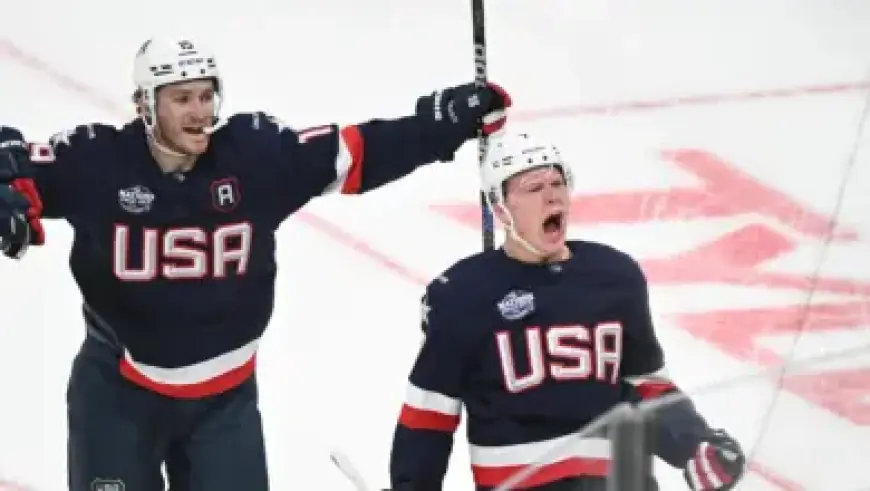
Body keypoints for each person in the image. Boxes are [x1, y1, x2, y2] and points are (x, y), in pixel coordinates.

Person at [0, 36, 511, 491]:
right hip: (117, 398)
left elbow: (356, 153)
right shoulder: (97, 161)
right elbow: (14, 162)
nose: (200, 111)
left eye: (206, 95)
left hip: (225, 408)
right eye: (182, 99)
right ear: (145, 106)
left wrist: (443, 124)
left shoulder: (254, 157)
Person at [387, 132, 747, 491]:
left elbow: (648, 388)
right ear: (500, 209)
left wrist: (695, 444)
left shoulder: (615, 277)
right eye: (532, 187)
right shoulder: (463, 294)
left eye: (558, 182)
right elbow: (430, 414)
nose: (551, 195)